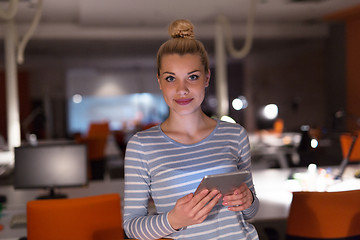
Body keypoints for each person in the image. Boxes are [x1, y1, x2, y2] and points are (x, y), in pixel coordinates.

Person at [123, 19, 259, 240]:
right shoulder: (142, 146)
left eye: (192, 77)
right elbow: (132, 227)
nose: (182, 90)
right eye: (170, 78)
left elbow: (250, 213)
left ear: (206, 78)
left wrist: (248, 200)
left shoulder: (235, 134)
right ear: (159, 81)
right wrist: (174, 220)